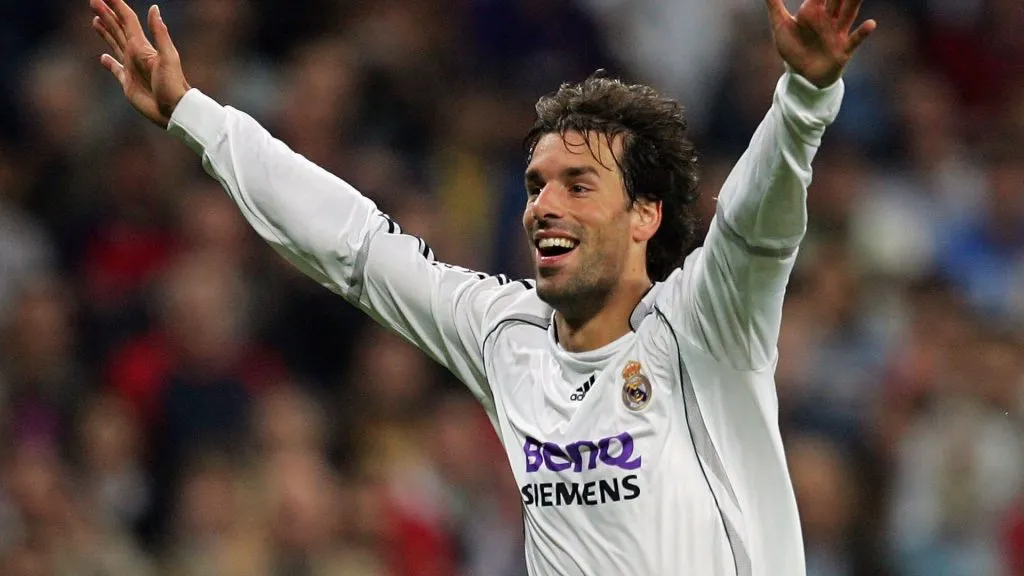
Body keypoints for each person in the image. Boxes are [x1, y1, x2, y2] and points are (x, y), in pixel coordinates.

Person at [87, 0, 876, 573]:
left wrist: (804, 100)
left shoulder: (704, 324)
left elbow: (753, 226)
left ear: (644, 215)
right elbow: (353, 245)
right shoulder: (507, 334)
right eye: (535, 184)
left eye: (576, 184)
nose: (543, 206)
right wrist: (195, 115)